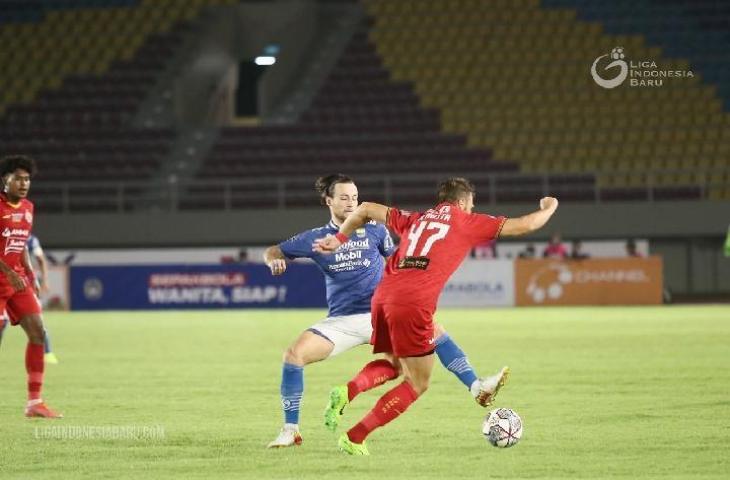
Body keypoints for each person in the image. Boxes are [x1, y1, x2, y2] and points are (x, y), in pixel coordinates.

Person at [314, 177, 558, 455]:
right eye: (472, 203)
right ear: (463, 201)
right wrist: (549, 207)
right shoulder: (466, 221)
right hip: (413, 303)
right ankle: (355, 437)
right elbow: (526, 224)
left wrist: (339, 239)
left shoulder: (416, 218)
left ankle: (351, 391)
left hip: (383, 296)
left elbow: (366, 208)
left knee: (406, 355)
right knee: (417, 382)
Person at [264, 174, 500, 448]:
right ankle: (290, 430)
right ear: (328, 201)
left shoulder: (376, 230)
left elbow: (396, 262)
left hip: (383, 314)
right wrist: (274, 261)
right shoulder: (315, 238)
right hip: (341, 320)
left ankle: (475, 385)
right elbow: (274, 251)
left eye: (354, 197)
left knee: (427, 338)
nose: (351, 203)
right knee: (294, 356)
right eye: (343, 197)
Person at [0, 155, 62, 418]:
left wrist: (30, 274)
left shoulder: (27, 208)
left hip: (17, 280)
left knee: (38, 331)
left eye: (27, 179)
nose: (24, 183)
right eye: (18, 178)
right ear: (5, 179)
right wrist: (6, 271)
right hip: (3, 278)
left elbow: (22, 243)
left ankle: (34, 403)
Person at [0, 236, 59, 365]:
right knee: (2, 323)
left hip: (23, 282)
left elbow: (40, 259)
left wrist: (40, 279)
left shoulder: (30, 239)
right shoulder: (5, 233)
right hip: (5, 281)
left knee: (37, 322)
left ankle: (48, 353)